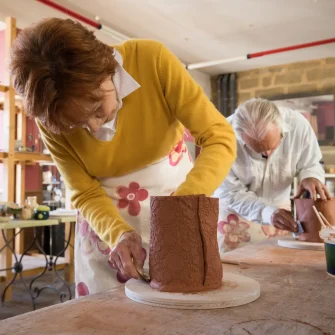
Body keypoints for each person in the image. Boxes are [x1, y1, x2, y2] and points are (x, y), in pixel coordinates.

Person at [10, 18, 236, 296]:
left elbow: (219, 138)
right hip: (105, 221)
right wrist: (118, 234)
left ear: (105, 67)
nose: (93, 129)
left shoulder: (152, 61)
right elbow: (85, 192)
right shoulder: (51, 114)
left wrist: (180, 210)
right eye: (76, 124)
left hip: (177, 196)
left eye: (95, 108)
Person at [213, 98, 331, 254]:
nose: (267, 154)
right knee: (236, 273)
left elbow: (310, 163)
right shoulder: (221, 137)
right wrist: (267, 212)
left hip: (283, 216)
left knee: (282, 270)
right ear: (240, 137)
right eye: (257, 150)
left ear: (282, 128)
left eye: (273, 147)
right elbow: (229, 192)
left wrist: (310, 175)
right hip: (235, 217)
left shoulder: (298, 126)